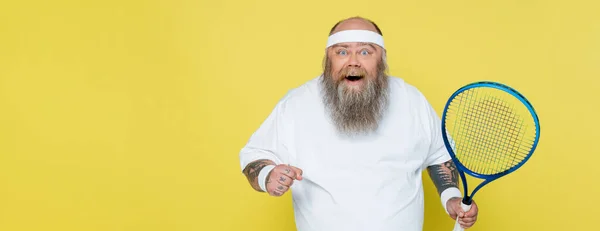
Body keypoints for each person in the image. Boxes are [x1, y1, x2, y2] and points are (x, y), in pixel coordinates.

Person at [238, 16, 479, 231]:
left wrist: (451, 196)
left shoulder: (410, 99)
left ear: (381, 59)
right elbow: (255, 154)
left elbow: (439, 155)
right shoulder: (296, 103)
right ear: (327, 59)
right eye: (342, 52)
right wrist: (268, 174)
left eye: (365, 52)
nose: (353, 62)